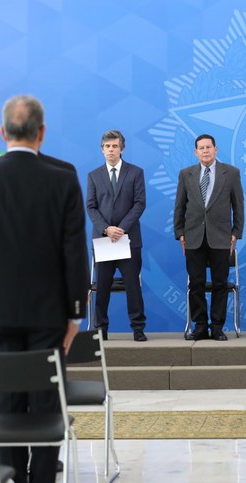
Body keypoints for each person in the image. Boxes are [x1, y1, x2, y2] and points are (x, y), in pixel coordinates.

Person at [0, 94, 88, 483]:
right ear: (41, 133)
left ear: (2, 132)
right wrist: (75, 314)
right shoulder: (63, 178)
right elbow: (74, 252)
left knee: (5, 407)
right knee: (47, 406)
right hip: (50, 315)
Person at [174, 134, 244, 341]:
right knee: (196, 284)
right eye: (201, 148)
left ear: (216, 149)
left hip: (221, 237)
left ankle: (217, 327)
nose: (205, 151)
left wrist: (236, 232)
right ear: (196, 152)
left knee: (220, 283)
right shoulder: (186, 174)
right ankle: (200, 326)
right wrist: (179, 233)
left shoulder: (231, 173)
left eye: (208, 147)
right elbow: (179, 206)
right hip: (193, 237)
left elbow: (238, 205)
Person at [86, 130, 147, 342]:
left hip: (128, 240)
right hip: (104, 240)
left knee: (133, 286)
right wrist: (106, 229)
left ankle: (138, 328)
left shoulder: (136, 172)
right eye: (107, 146)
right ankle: (100, 330)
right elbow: (91, 207)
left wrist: (120, 229)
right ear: (102, 149)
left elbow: (140, 203)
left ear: (122, 148)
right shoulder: (94, 175)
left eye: (114, 146)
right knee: (102, 288)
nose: (111, 150)